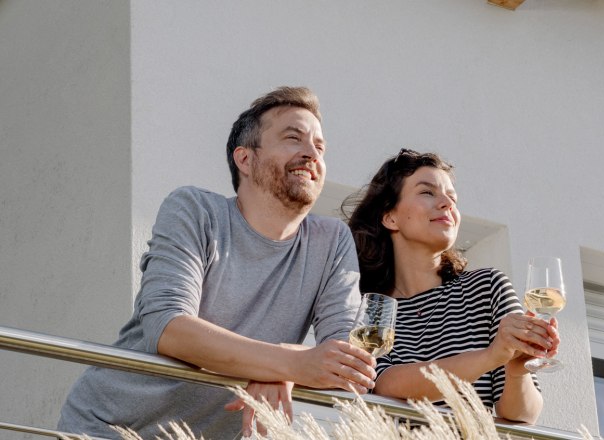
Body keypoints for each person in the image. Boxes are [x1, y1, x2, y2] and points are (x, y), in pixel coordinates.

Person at [58, 86, 376, 439]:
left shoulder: (330, 241)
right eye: (293, 138)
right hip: (108, 428)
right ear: (245, 159)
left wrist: (283, 365)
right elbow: (168, 328)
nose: (310, 154)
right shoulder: (195, 210)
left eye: (319, 146)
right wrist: (291, 363)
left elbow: (347, 364)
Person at [344, 149, 560, 423]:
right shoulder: (368, 305)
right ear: (390, 217)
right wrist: (492, 356)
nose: (447, 203)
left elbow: (522, 416)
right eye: (427, 192)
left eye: (452, 197)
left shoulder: (488, 287)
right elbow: (386, 384)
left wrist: (517, 370)